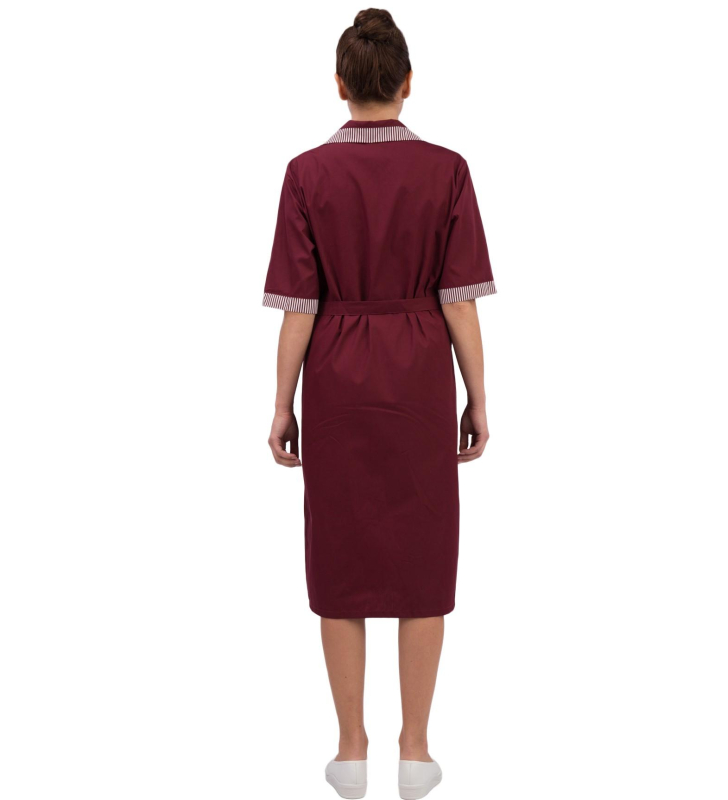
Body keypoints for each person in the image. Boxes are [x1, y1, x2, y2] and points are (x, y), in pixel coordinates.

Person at [263, 9, 496, 798]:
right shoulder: (448, 170)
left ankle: (351, 748)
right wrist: (478, 394)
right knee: (423, 555)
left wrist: (282, 403)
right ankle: (418, 750)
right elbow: (459, 300)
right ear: (407, 83)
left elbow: (299, 307)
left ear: (340, 85)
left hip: (335, 373)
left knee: (341, 557)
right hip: (420, 374)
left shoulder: (306, 174)